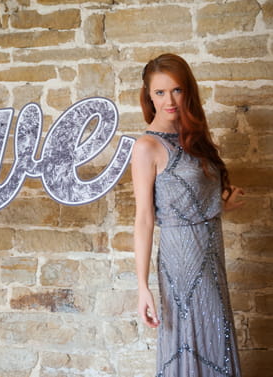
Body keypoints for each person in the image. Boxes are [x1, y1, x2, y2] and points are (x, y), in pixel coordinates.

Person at [131, 53, 245, 376]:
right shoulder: (146, 147)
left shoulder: (193, 135)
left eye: (177, 90)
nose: (170, 100)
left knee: (215, 340)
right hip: (181, 262)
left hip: (211, 256)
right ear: (149, 97)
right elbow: (144, 218)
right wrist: (142, 285)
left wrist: (222, 202)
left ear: (188, 91)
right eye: (160, 93)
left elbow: (191, 197)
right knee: (188, 340)